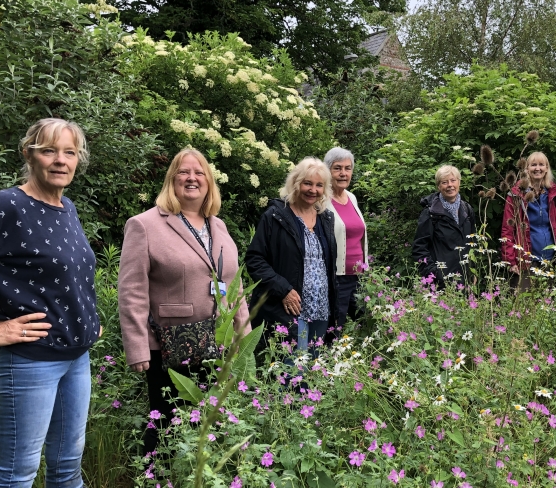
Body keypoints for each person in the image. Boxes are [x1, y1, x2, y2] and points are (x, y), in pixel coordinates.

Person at [0, 118, 99, 488]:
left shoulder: (66, 207)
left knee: (66, 467)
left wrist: (85, 319)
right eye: (49, 150)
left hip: (76, 359)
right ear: (28, 154)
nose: (60, 161)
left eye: (70, 152)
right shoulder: (7, 206)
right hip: (30, 362)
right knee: (16, 477)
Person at [118, 148, 251, 456]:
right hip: (172, 343)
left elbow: (234, 284)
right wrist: (138, 347)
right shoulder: (144, 224)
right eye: (184, 172)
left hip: (218, 341)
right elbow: (132, 291)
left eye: (199, 172)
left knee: (212, 421)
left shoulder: (218, 225)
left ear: (209, 182)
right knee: (167, 421)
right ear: (171, 180)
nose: (192, 178)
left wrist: (243, 336)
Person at [245, 157, 337, 354]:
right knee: (292, 372)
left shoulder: (325, 219)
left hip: (320, 309)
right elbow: (255, 259)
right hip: (289, 310)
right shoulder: (276, 216)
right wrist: (283, 290)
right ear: (296, 183)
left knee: (314, 371)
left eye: (319, 185)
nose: (313, 190)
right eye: (307, 183)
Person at [501, 151, 556, 278]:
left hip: (551, 258)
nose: (537, 168)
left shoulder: (554, 193)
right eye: (533, 165)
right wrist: (510, 259)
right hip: (525, 258)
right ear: (527, 168)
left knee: (548, 296)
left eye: (541, 165)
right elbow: (508, 228)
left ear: (547, 168)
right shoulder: (516, 194)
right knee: (524, 296)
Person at [325, 147, 368, 328]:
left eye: (347, 168)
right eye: (337, 168)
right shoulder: (321, 200)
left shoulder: (351, 197)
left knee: (368, 324)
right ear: (327, 171)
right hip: (337, 278)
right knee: (334, 327)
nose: (343, 173)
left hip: (359, 276)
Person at [412, 165, 477, 286]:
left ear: (459, 182)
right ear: (438, 186)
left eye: (453, 180)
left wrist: (472, 272)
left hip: (464, 280)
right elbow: (419, 249)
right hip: (440, 283)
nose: (450, 185)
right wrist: (435, 275)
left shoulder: (467, 210)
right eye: (444, 182)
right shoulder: (431, 213)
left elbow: (472, 243)